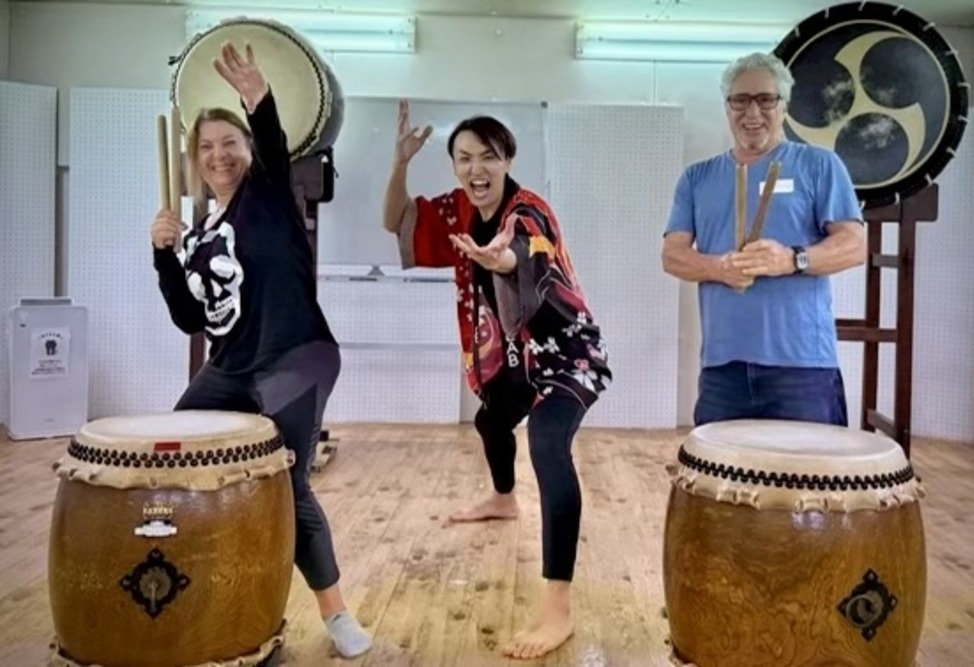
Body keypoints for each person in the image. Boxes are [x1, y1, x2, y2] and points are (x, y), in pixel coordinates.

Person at [149, 42, 372, 660]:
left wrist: (257, 97)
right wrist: (164, 255)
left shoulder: (269, 195)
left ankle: (337, 616)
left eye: (231, 142)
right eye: (207, 147)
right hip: (232, 368)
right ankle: (201, 586)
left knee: (287, 482)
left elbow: (272, 142)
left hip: (297, 354)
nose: (219, 154)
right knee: (173, 456)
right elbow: (189, 317)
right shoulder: (197, 235)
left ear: (248, 152)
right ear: (196, 161)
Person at [382, 101, 611, 660]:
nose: (476, 168)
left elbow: (527, 253)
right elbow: (398, 222)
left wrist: (503, 262)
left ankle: (557, 604)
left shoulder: (530, 210)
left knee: (549, 445)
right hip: (511, 358)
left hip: (563, 351)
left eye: (488, 156)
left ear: (507, 158)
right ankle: (503, 499)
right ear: (455, 165)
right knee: (490, 420)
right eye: (464, 158)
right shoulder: (458, 210)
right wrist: (398, 163)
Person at [661, 51, 866, 427]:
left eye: (765, 99)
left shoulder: (819, 166)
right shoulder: (698, 178)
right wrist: (718, 268)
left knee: (809, 480)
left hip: (802, 366)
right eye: (740, 100)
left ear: (784, 106)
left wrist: (791, 259)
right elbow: (672, 255)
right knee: (721, 482)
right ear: (727, 107)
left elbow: (854, 246)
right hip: (724, 367)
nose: (751, 112)